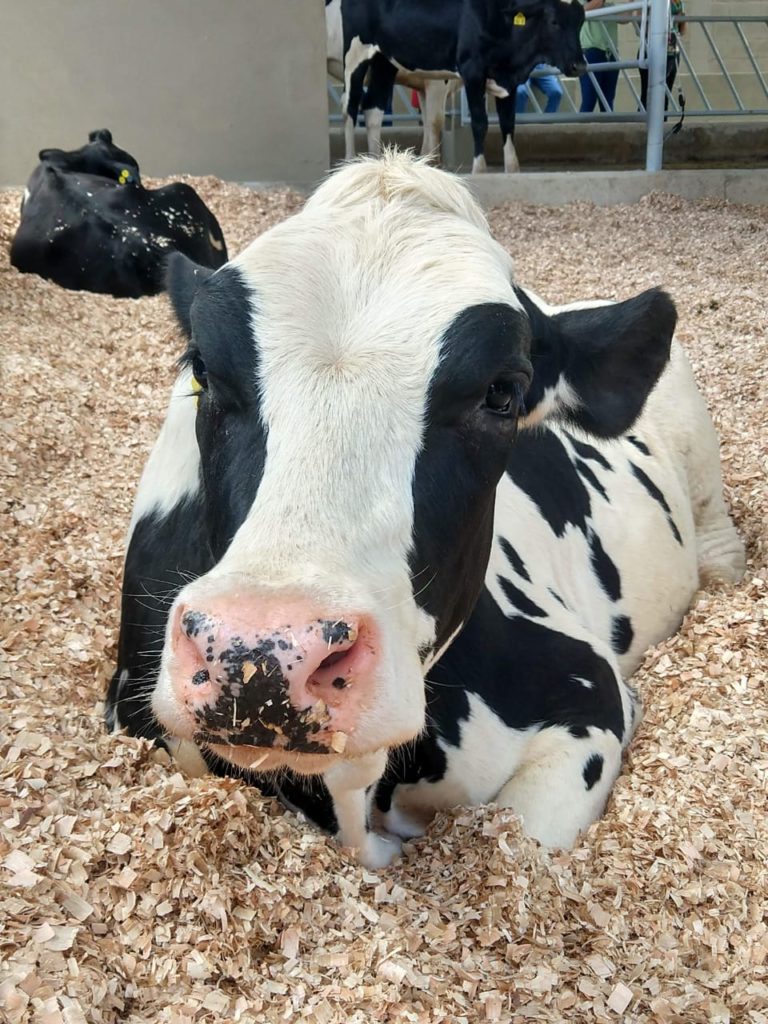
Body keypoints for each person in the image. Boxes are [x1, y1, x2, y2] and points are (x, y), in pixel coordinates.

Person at [639, 0, 686, 112]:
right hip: (652, 50)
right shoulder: (652, 2)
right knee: (648, 95)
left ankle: (661, 125)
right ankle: (642, 125)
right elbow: (642, 27)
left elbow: (682, 31)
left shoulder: (678, 3)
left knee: (664, 97)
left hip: (672, 52)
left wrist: (681, 19)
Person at [579, 0, 620, 112]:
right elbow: (594, 5)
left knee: (607, 101)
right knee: (589, 101)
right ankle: (580, 129)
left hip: (611, 54)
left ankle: (609, 129)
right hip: (591, 53)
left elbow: (625, 19)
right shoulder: (582, 3)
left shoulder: (609, 5)